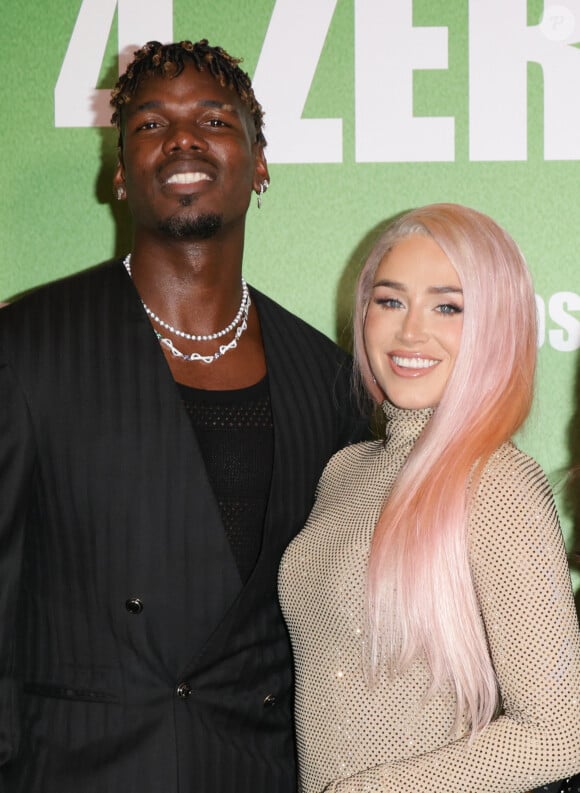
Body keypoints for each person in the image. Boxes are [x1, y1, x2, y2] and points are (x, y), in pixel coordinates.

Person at [0, 40, 368, 792]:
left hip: (255, 771)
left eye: (214, 119)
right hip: (74, 770)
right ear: (119, 175)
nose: (183, 139)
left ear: (259, 163)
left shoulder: (327, 377)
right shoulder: (27, 344)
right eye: (149, 124)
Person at [279, 203, 580, 792]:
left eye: (448, 307)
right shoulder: (344, 471)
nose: (410, 331)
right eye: (390, 301)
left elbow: (561, 730)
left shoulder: (497, 484)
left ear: (496, 324)